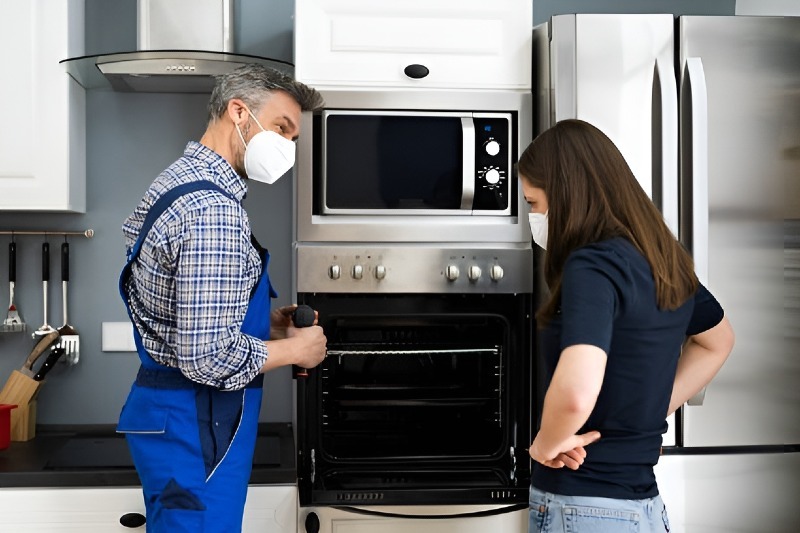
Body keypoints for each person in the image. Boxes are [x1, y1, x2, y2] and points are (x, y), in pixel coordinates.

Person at [116, 64, 328, 532]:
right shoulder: (213, 212)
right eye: (281, 129)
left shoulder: (176, 182)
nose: (287, 148)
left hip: (174, 421)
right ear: (239, 112)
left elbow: (175, 309)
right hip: (197, 425)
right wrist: (297, 348)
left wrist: (264, 323)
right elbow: (206, 357)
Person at [518, 119, 735, 532]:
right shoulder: (659, 259)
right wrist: (647, 411)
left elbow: (577, 392)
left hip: (582, 506)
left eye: (533, 203)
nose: (534, 216)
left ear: (565, 196)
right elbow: (717, 341)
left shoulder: (591, 264)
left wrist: (545, 445)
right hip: (643, 509)